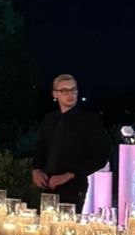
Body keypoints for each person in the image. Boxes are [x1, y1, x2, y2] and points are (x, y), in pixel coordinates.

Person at [32, 73, 109, 209]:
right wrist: (36, 170)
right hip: (45, 185)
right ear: (55, 94)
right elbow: (40, 148)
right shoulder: (50, 119)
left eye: (73, 90)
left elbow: (100, 157)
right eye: (64, 91)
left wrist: (69, 175)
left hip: (73, 187)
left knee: (66, 227)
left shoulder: (89, 120)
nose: (70, 94)